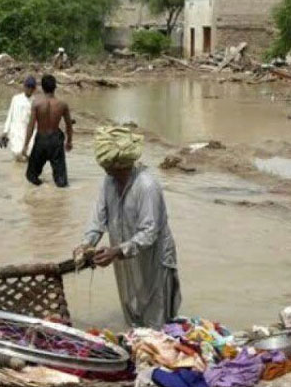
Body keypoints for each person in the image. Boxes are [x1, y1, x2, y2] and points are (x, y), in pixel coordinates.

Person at [74, 127, 181, 328]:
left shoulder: (147, 186)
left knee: (155, 314)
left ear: (118, 164)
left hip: (153, 258)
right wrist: (87, 243)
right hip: (124, 255)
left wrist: (117, 251)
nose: (103, 167)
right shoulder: (109, 181)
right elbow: (98, 217)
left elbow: (149, 233)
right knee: (131, 307)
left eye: (107, 164)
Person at [21, 74, 74, 187]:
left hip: (41, 140)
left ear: (42, 88)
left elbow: (31, 126)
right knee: (61, 182)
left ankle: (42, 190)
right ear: (55, 87)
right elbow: (69, 125)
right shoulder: (62, 104)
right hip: (56, 140)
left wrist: (25, 145)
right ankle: (56, 196)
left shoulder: (36, 104)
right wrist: (69, 141)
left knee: (31, 176)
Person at [0, 76, 37, 161]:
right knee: (17, 153)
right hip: (16, 131)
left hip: (29, 132)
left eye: (32, 87)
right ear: (24, 86)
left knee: (28, 155)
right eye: (28, 86)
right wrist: (5, 132)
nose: (29, 89)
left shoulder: (35, 101)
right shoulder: (16, 99)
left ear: (34, 89)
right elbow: (10, 115)